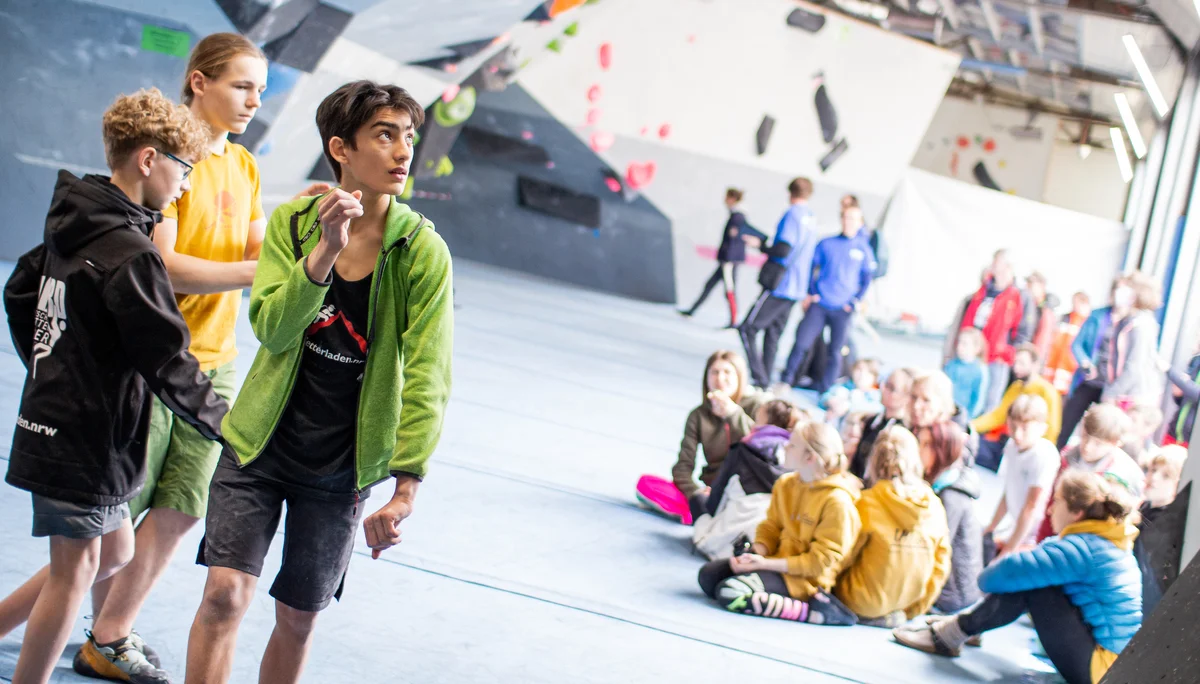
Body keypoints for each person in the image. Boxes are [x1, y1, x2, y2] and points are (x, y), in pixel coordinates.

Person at [69, 33, 329, 681]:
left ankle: (108, 635)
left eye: (260, 90)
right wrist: (262, 272)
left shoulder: (243, 165)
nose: (254, 101)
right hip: (154, 363)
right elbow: (167, 266)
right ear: (199, 83)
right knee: (114, 518)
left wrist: (302, 222)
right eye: (242, 86)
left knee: (183, 508)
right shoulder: (172, 162)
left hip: (217, 360)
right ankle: (90, 630)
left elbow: (252, 246)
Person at [184, 80, 454, 684]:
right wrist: (324, 252)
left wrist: (406, 486)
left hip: (340, 469)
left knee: (299, 618)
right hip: (257, 447)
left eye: (408, 137)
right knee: (224, 595)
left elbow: (429, 373)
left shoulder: (422, 252)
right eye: (384, 135)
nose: (403, 151)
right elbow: (273, 329)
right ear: (341, 148)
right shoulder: (293, 223)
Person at [0, 89, 228, 684]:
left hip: (72, 426)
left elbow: (20, 291)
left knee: (117, 551)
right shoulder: (129, 253)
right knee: (73, 573)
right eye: (184, 170)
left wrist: (50, 368)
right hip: (84, 437)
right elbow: (167, 359)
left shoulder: (74, 225)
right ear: (149, 160)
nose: (185, 186)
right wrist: (230, 426)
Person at [894, 469, 1143, 684]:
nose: (1050, 510)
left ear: (1077, 512)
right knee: (1033, 579)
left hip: (1100, 672)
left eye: (1056, 501)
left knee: (1034, 586)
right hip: (1111, 666)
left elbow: (992, 578)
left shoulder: (1083, 549)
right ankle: (964, 628)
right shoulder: (1104, 542)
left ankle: (952, 634)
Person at [697, 422, 862, 625]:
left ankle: (810, 611)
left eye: (792, 445)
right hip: (775, 563)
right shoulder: (786, 484)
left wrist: (765, 564)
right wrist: (757, 552)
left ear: (809, 458)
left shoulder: (837, 502)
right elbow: (771, 527)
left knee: (730, 592)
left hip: (803, 580)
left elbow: (819, 562)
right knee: (708, 577)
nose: (785, 446)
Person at [833, 426, 950, 628]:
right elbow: (940, 568)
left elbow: (843, 556)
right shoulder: (934, 505)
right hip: (907, 604)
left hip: (860, 601)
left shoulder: (867, 502)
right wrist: (915, 609)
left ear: (875, 459)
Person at [637, 351, 765, 525]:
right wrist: (695, 493)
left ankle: (702, 514)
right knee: (646, 484)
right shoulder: (698, 415)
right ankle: (705, 511)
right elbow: (682, 467)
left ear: (739, 377)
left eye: (727, 372)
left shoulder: (757, 406)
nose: (720, 379)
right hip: (713, 491)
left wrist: (733, 413)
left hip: (747, 489)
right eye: (714, 372)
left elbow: (763, 446)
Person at [907, 373, 982, 614]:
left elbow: (933, 547)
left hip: (949, 594)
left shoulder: (951, 484)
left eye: (926, 400)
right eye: (913, 397)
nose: (917, 406)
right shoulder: (922, 429)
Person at [780, 205, 876, 391]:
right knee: (801, 343)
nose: (849, 222)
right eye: (846, 217)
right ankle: (786, 380)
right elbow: (811, 268)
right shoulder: (826, 243)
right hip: (820, 305)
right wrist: (811, 292)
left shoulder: (864, 249)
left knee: (836, 351)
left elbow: (867, 278)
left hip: (842, 309)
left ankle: (826, 389)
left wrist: (854, 301)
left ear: (860, 223)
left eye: (853, 219)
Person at [692, 399, 802, 560]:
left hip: (725, 537)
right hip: (770, 542)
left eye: (756, 420)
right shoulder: (796, 459)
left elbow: (714, 501)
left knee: (697, 498)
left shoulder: (742, 449)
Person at [738, 178, 818, 390]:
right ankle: (765, 382)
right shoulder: (811, 218)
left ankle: (760, 378)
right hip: (797, 287)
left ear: (790, 193)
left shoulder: (792, 215)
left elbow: (783, 249)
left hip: (780, 285)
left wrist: (761, 245)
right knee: (773, 334)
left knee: (747, 328)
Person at [944, 250, 1027, 414]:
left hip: (996, 359)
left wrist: (1007, 352)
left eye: (998, 263)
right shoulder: (982, 291)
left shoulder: (1018, 296)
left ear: (1008, 267)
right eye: (994, 263)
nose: (995, 267)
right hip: (972, 354)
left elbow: (1022, 331)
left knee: (989, 403)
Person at [1059, 277, 1132, 449]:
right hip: (1089, 380)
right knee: (1067, 422)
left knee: (1100, 431)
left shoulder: (1132, 323)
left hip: (1112, 388)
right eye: (1118, 290)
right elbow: (1077, 344)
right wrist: (1085, 362)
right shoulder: (1097, 315)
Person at [984, 395, 1059, 559]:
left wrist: (1009, 549)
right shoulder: (1011, 446)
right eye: (1013, 426)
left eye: (1025, 428)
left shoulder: (1044, 456)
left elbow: (1031, 507)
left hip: (1035, 534)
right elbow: (1008, 491)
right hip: (1016, 526)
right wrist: (991, 527)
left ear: (1042, 428)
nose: (1017, 434)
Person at [680, 188, 764, 327]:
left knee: (729, 290)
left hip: (729, 261)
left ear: (732, 199)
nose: (724, 200)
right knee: (709, 285)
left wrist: (728, 258)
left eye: (727, 197)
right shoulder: (736, 215)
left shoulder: (738, 217)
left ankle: (733, 321)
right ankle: (692, 311)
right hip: (726, 260)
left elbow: (737, 238)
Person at [970, 344, 1061, 471]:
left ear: (1035, 365)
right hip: (1009, 443)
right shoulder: (1016, 387)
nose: (1016, 367)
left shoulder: (1047, 392)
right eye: (1015, 362)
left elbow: (1052, 430)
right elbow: (997, 416)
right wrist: (971, 426)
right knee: (971, 443)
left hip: (1029, 451)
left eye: (1022, 363)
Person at [1136, 445, 1188, 615]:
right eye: (1153, 470)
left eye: (1166, 476)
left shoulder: (1168, 525)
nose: (1154, 477)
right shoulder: (1144, 507)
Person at [851, 368, 913, 479]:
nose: (884, 390)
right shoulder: (872, 421)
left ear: (906, 397)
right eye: (885, 384)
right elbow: (857, 461)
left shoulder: (904, 430)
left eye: (892, 388)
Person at [1043, 292, 1091, 395]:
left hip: (1071, 366)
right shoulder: (1065, 318)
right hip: (1055, 363)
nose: (1075, 306)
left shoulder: (1087, 322)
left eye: (1078, 303)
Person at [819, 358, 881, 427]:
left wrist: (848, 406)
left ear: (874, 377)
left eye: (868, 372)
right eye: (859, 370)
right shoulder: (843, 385)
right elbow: (823, 397)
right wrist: (830, 401)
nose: (862, 374)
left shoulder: (875, 395)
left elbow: (876, 410)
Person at [944, 327, 989, 419]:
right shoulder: (951, 364)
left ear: (976, 348)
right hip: (945, 410)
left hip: (962, 416)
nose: (959, 347)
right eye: (959, 342)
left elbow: (978, 399)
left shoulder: (980, 370)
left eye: (964, 344)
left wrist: (967, 419)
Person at [1160, 344, 1200, 446]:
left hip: (1191, 440)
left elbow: (1196, 394)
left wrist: (1170, 371)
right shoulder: (1196, 360)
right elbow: (1184, 397)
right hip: (1175, 430)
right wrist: (1178, 395)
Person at [1021, 272, 1059, 362]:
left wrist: (1036, 360)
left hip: (1032, 359)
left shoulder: (1045, 309)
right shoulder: (1028, 303)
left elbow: (1043, 339)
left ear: (1041, 286)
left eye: (1031, 283)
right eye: (1027, 283)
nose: (1027, 286)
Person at [1121, 401, 1163, 467]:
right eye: (1127, 417)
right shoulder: (1114, 439)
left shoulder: (1151, 456)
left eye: (1133, 420)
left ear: (1148, 429)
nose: (1127, 422)